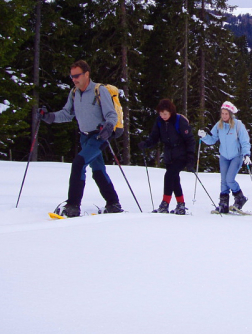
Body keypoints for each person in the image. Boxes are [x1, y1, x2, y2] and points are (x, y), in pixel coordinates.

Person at [40, 60, 123, 217]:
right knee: (98, 170)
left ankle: (73, 206)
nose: (74, 79)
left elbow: (111, 114)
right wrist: (49, 117)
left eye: (77, 76)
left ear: (86, 74)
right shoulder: (74, 93)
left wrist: (108, 128)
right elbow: (66, 114)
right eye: (72, 76)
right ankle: (113, 203)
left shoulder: (100, 90)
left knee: (79, 163)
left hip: (99, 136)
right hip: (84, 137)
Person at [139, 99, 195, 215]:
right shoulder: (159, 121)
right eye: (161, 113)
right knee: (174, 178)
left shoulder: (179, 121)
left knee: (169, 175)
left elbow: (190, 140)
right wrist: (146, 144)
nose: (163, 116)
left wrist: (190, 158)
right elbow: (154, 137)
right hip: (169, 154)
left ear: (171, 112)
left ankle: (165, 203)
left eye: (165, 114)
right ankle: (181, 205)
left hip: (181, 154)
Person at [198, 101, 252, 214]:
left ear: (231, 114)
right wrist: (204, 137)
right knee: (223, 181)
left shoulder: (238, 125)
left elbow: (245, 141)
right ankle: (224, 204)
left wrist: (246, 154)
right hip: (224, 156)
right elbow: (212, 139)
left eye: (226, 114)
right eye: (222, 113)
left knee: (229, 179)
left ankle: (240, 198)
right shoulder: (219, 125)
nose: (224, 116)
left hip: (236, 156)